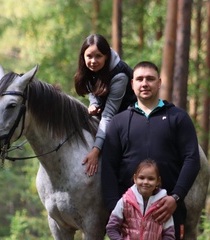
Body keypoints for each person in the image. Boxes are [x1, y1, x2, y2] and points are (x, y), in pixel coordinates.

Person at [101, 61, 200, 239]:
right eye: (139, 79)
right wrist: (114, 208)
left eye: (150, 79)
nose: (145, 83)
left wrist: (176, 198)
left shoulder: (179, 118)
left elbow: (192, 159)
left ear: (159, 82)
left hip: (168, 212)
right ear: (132, 84)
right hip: (128, 218)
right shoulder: (118, 122)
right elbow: (108, 167)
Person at [74, 34, 136, 176]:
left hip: (129, 117)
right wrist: (94, 103)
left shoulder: (119, 75)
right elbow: (91, 89)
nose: (93, 61)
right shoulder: (89, 69)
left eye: (98, 56)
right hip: (109, 114)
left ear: (106, 56)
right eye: (89, 56)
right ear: (83, 56)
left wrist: (96, 150)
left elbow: (108, 115)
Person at [106, 159, 175, 240]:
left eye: (151, 179)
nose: (145, 182)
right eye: (141, 178)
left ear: (158, 181)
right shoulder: (125, 201)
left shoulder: (163, 205)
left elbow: (169, 234)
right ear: (135, 178)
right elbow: (111, 228)